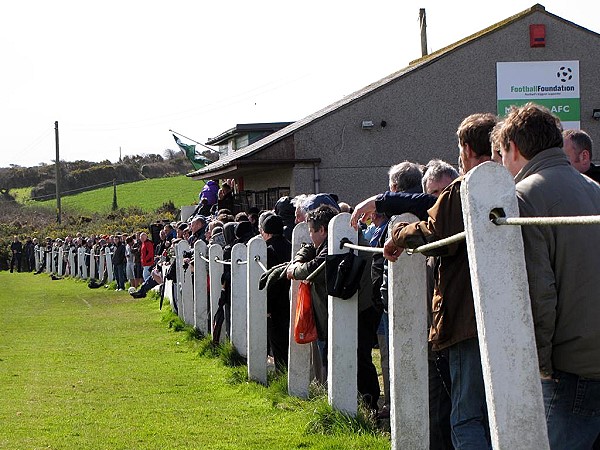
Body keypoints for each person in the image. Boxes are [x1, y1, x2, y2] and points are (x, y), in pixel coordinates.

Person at [383, 113, 497, 450]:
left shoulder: (463, 189)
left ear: (465, 148)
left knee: (465, 417)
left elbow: (433, 231)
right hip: (503, 314)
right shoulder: (509, 182)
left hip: (465, 317)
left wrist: (397, 233)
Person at [492, 103, 600, 449]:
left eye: (501, 153)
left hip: (569, 366)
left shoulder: (524, 198)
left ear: (514, 148)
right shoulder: (593, 188)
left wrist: (536, 367)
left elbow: (540, 292)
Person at [259, 214, 292, 370]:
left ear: (266, 232)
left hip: (277, 306)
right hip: (291, 300)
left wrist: (268, 308)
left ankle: (282, 376)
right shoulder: (290, 246)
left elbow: (271, 283)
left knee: (278, 345)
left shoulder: (268, 251)